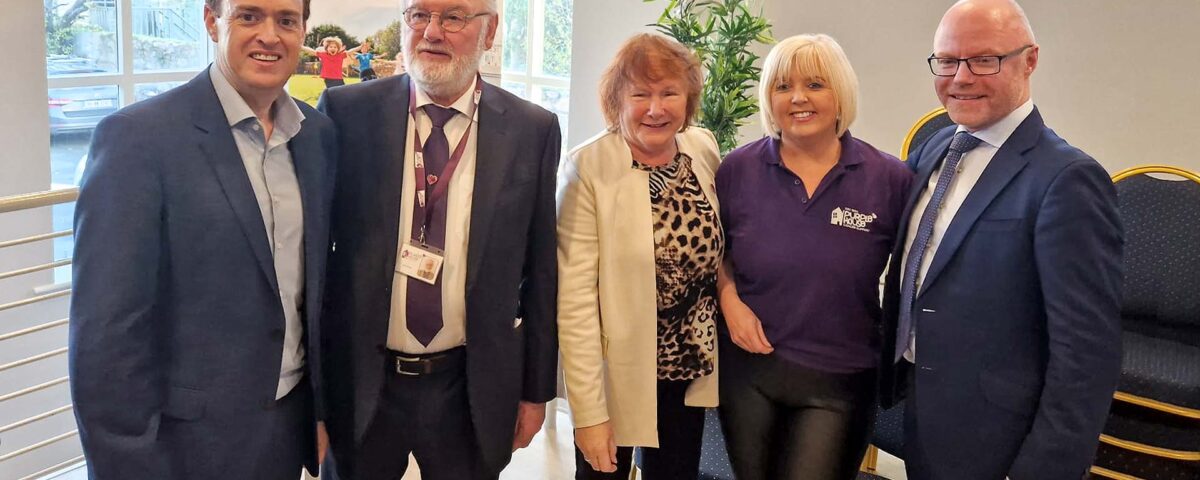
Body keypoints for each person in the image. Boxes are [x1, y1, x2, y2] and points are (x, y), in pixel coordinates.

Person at [68, 0, 337, 478]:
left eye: (287, 20)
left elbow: (308, 295)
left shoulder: (315, 136)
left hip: (283, 429)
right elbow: (106, 336)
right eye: (249, 16)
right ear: (213, 21)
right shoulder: (138, 139)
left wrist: (317, 409)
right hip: (182, 448)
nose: (270, 36)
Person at [315, 0, 561, 478]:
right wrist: (316, 395)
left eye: (453, 17)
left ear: (489, 34)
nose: (432, 32)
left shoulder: (531, 129)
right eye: (418, 15)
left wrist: (536, 391)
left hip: (469, 388)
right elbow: (316, 263)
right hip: (364, 383)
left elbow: (541, 270)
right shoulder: (346, 114)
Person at [879, 1, 1124, 478]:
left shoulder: (1068, 179)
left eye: (984, 60)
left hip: (1000, 437)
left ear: (1029, 60)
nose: (961, 78)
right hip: (926, 411)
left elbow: (1087, 354)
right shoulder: (937, 148)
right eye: (947, 61)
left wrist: (1045, 468)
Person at [715, 34, 913, 480]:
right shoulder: (736, 170)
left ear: (841, 94)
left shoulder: (891, 180)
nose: (798, 98)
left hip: (840, 381)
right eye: (783, 86)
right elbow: (715, 254)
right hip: (749, 375)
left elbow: (917, 274)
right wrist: (729, 302)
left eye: (816, 85)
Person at [557, 33, 721, 480]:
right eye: (640, 94)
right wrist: (589, 414)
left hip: (686, 371)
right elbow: (574, 305)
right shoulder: (587, 168)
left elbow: (718, 256)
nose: (656, 108)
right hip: (616, 378)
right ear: (616, 100)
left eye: (670, 92)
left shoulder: (702, 150)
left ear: (688, 99)